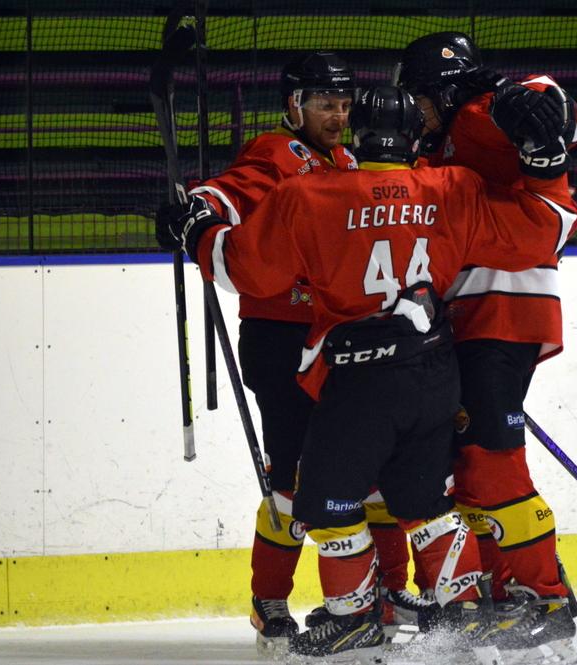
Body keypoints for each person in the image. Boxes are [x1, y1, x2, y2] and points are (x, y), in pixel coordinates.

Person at [157, 85, 577, 663]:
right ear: (413, 138)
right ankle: (460, 615)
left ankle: (353, 618)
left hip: (358, 380)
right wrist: (548, 166)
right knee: (427, 503)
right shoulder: (455, 187)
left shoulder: (309, 194)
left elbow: (244, 270)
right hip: (435, 374)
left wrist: (198, 232)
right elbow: (542, 230)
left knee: (325, 504)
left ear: (356, 136)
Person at [157, 51, 415, 651]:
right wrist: (197, 212)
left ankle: (385, 590)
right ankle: (269, 598)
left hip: (339, 341)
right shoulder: (275, 153)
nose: (338, 116)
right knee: (293, 481)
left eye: (344, 105)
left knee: (369, 471)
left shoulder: (349, 161)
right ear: (295, 105)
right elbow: (227, 195)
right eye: (325, 104)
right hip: (280, 341)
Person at [395, 28, 577, 647]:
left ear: (443, 90)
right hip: (472, 316)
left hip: (503, 308)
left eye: (420, 95)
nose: (415, 108)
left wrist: (525, 101)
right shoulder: (438, 143)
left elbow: (559, 111)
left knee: (490, 461)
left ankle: (545, 596)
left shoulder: (477, 114)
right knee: (470, 465)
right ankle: (507, 591)